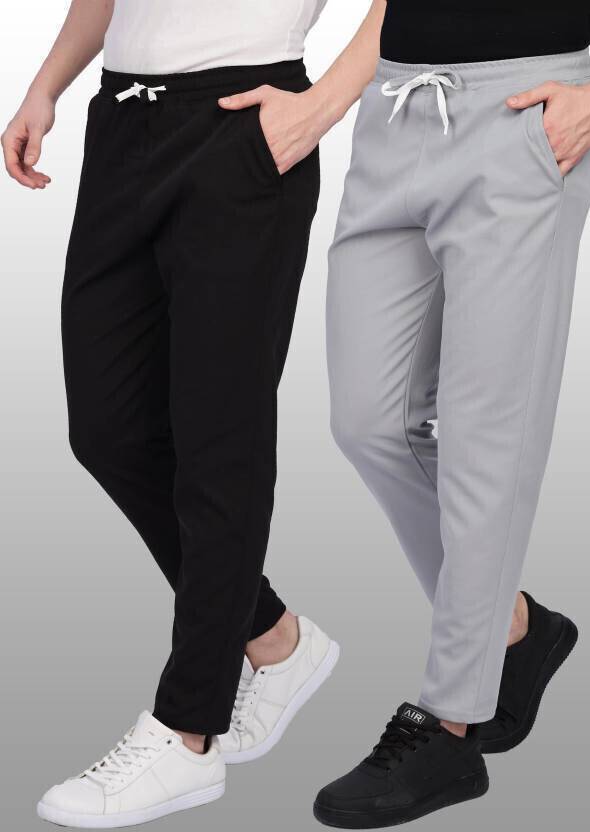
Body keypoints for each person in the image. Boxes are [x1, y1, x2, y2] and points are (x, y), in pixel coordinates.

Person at [1, 1, 385, 827]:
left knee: (220, 441)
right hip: (122, 119)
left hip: (244, 120)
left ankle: (188, 733)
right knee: (107, 428)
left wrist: (322, 105)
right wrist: (46, 84)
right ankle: (272, 636)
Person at [315, 2, 590, 828]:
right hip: (394, 111)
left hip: (523, 115)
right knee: (367, 420)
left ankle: (450, 723)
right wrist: (323, 103)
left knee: (485, 438)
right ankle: (513, 627)